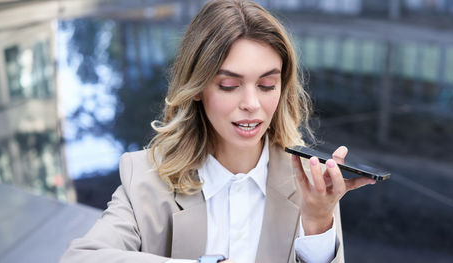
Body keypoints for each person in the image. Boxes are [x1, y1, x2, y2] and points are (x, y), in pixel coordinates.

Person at [60, 1, 375, 262]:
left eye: (267, 85)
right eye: (229, 85)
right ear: (197, 88)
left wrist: (319, 223)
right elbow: (81, 257)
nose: (252, 104)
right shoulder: (145, 177)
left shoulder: (310, 183)